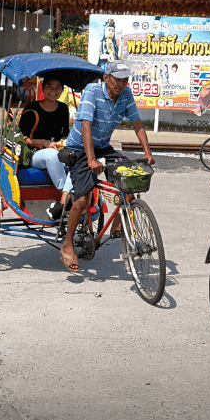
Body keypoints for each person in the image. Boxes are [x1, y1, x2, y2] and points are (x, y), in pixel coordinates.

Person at [58, 60, 155, 272]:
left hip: (102, 146)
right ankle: (67, 244)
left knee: (131, 178)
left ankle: (119, 222)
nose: (121, 84)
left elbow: (137, 123)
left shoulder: (126, 95)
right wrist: (91, 160)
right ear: (106, 78)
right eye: (117, 79)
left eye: (125, 80)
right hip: (79, 149)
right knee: (82, 199)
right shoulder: (92, 91)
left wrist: (147, 153)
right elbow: (86, 125)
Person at [18, 76, 72, 220]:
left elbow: (65, 134)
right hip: (34, 154)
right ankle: (66, 197)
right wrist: (44, 142)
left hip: (57, 151)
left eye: (57, 87)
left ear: (62, 91)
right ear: (42, 88)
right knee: (51, 155)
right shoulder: (32, 108)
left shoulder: (63, 109)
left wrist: (62, 143)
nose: (53, 90)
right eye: (49, 86)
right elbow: (23, 139)